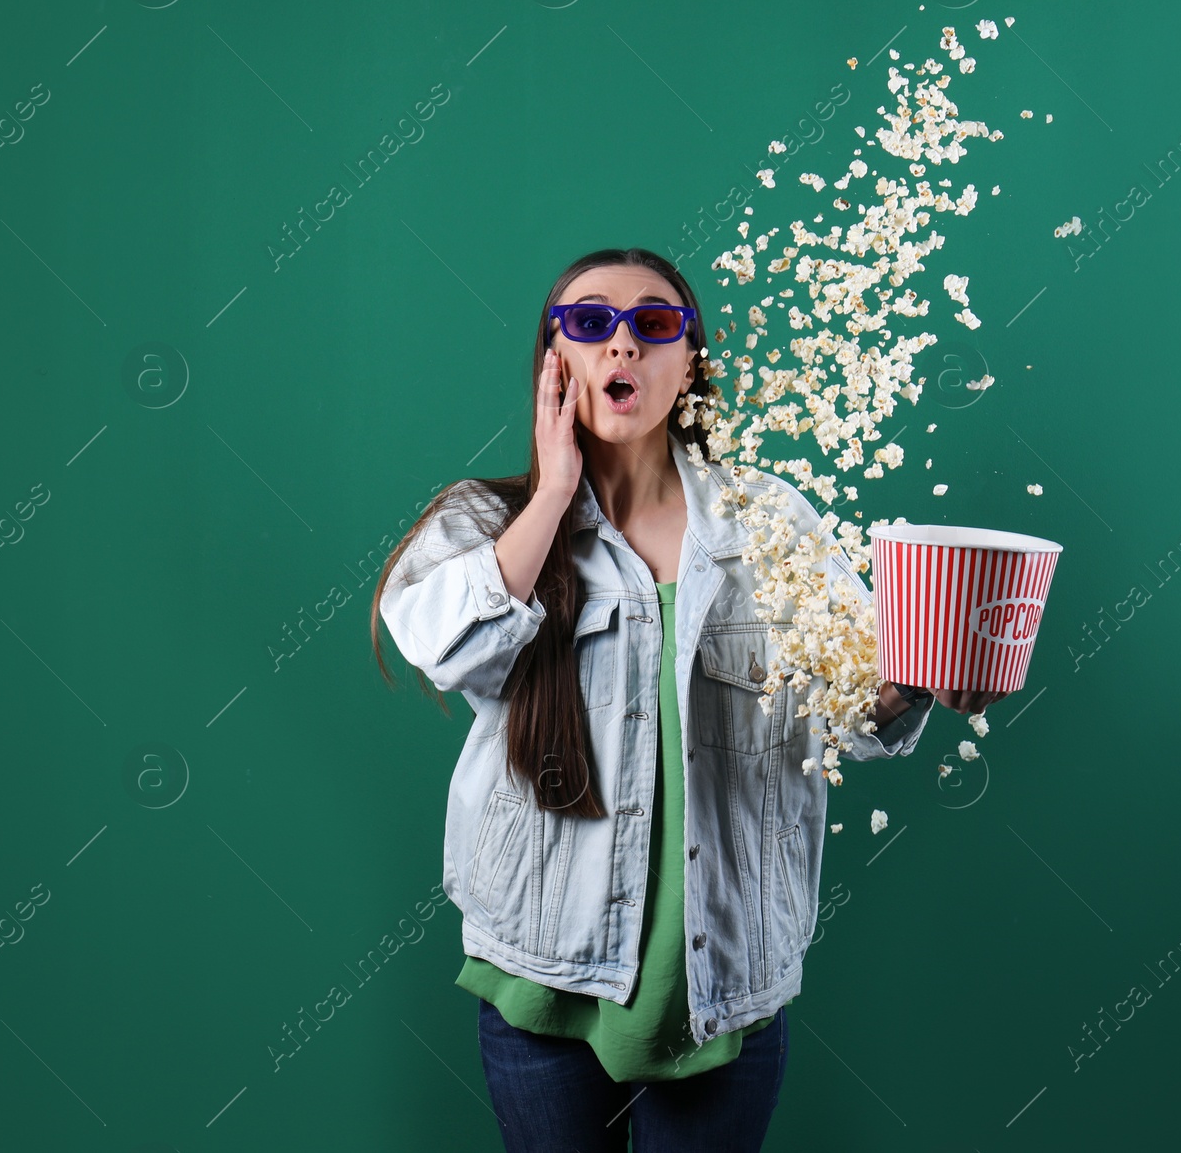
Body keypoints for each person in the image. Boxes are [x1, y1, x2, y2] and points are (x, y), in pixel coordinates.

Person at [371, 247, 1005, 1151]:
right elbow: (442, 648)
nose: (620, 344)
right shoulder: (486, 522)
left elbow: (855, 711)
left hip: (724, 983)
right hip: (545, 977)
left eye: (653, 324)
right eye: (590, 324)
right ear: (556, 361)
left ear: (690, 362)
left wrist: (923, 679)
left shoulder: (770, 524)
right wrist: (555, 492)